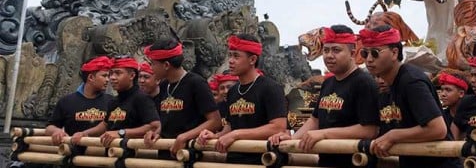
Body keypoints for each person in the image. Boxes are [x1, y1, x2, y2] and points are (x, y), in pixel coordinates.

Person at [270, 25, 379, 167]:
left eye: (336, 50)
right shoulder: (328, 83)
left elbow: (370, 130)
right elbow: (315, 120)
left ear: (352, 53)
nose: (329, 55)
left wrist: (324, 134)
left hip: (357, 162)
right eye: (326, 50)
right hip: (326, 161)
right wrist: (292, 139)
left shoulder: (364, 83)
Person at [360, 25, 460, 168]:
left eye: (375, 53)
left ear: (394, 53)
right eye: (365, 53)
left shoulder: (411, 81)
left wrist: (393, 135)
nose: (368, 59)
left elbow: (438, 129)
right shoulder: (389, 85)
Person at [197, 34, 287, 165]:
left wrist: (236, 135)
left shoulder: (270, 87)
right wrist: (216, 136)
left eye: (236, 56)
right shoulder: (233, 91)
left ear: (252, 59)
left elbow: (278, 127)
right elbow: (230, 125)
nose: (231, 61)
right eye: (230, 55)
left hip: (264, 160)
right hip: (234, 159)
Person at [143, 39, 221, 158]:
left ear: (166, 65)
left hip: (189, 153)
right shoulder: (164, 86)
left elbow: (215, 121)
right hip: (166, 151)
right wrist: (155, 133)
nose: (151, 68)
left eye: (153, 63)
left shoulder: (197, 83)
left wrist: (185, 136)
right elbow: (166, 122)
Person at [71, 56, 160, 146]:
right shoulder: (113, 101)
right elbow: (105, 125)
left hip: (133, 155)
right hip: (113, 153)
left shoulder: (141, 98)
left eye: (118, 73)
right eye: (111, 73)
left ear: (132, 76)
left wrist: (121, 133)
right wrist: (84, 133)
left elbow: (154, 126)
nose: (112, 78)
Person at [46, 56, 113, 146]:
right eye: (104, 76)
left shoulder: (111, 101)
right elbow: (49, 127)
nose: (108, 80)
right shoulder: (66, 101)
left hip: (103, 155)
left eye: (108, 76)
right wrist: (57, 131)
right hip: (74, 154)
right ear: (91, 77)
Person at [434, 70, 468, 135]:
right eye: (442, 90)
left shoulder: (471, 115)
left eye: (448, 90)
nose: (442, 94)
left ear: (461, 93)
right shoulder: (441, 117)